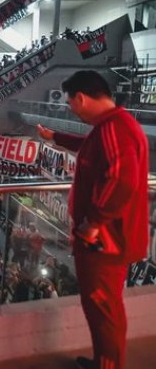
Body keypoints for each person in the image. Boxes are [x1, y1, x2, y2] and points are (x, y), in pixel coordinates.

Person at [37, 70, 148, 369]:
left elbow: (120, 181)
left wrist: (93, 223)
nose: (71, 109)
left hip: (105, 241)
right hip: (107, 239)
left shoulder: (115, 129)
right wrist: (55, 137)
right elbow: (92, 150)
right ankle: (104, 361)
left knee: (103, 308)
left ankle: (108, 365)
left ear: (81, 98)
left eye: (71, 103)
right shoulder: (113, 127)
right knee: (103, 306)